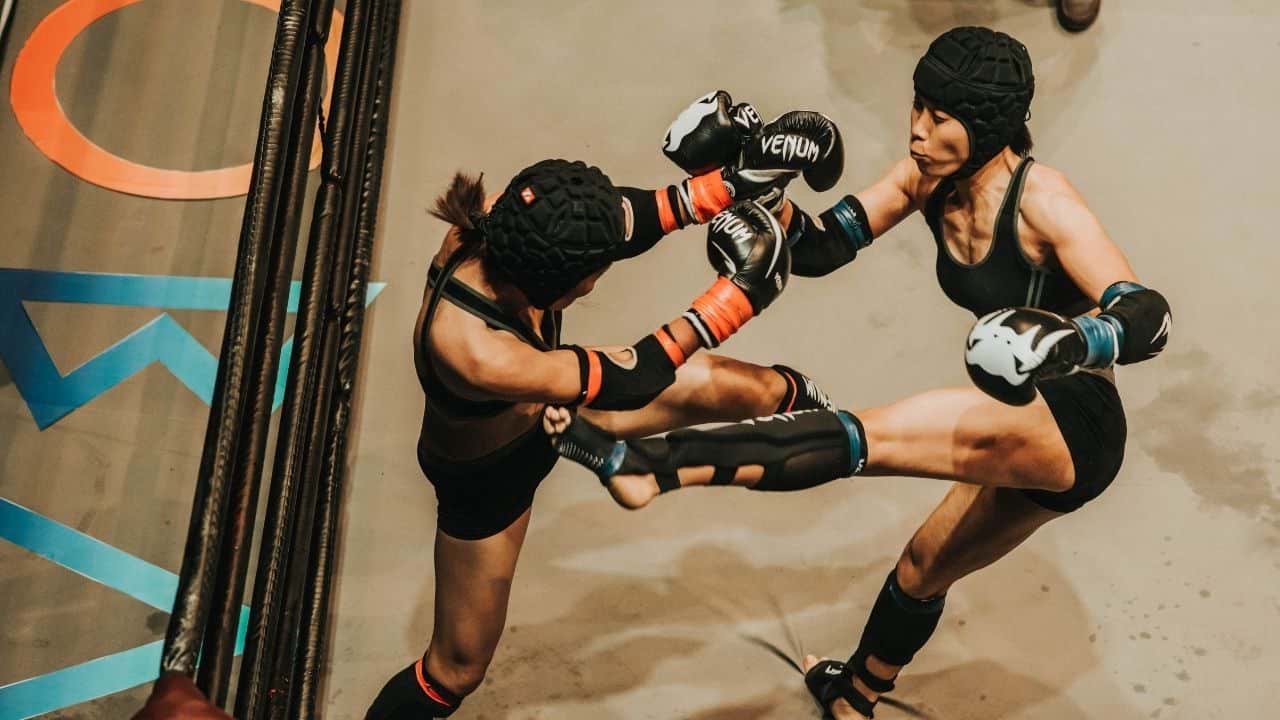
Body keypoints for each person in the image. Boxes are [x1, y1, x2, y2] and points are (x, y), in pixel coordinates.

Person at [546, 26, 1171, 720]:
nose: (917, 130)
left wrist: (1071, 340)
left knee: (862, 438)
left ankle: (648, 467)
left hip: (1073, 418)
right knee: (920, 571)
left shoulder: (1043, 201)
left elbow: (1147, 317)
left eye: (941, 119)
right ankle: (855, 701)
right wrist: (752, 177)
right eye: (918, 106)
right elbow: (816, 249)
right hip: (1022, 412)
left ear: (989, 127)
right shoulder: (928, 179)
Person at [364, 98, 844, 719]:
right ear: (563, 285)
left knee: (749, 389)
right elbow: (631, 378)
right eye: (592, 275)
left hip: (551, 411)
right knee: (456, 668)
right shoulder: (479, 352)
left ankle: (833, 428)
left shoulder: (524, 224)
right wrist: (736, 297)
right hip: (492, 477)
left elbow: (634, 216)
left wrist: (734, 181)